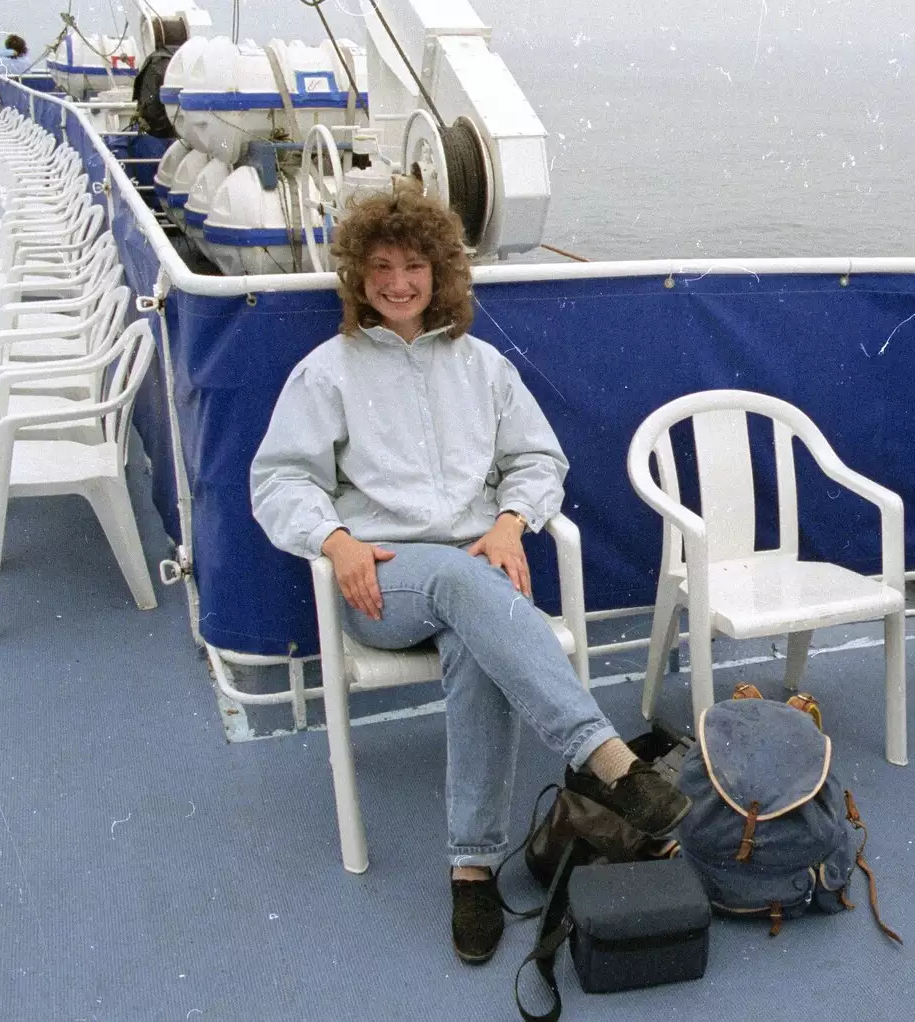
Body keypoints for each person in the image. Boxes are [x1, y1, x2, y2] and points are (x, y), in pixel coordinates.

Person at [250, 190, 691, 965]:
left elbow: (537, 459)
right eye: (380, 267)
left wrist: (511, 520)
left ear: (440, 271)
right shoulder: (327, 371)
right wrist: (333, 538)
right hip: (380, 579)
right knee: (459, 583)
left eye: (413, 265)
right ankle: (606, 760)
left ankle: (472, 868)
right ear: (356, 276)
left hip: (477, 577)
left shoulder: (483, 366)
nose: (397, 282)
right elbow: (280, 479)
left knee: (472, 641)